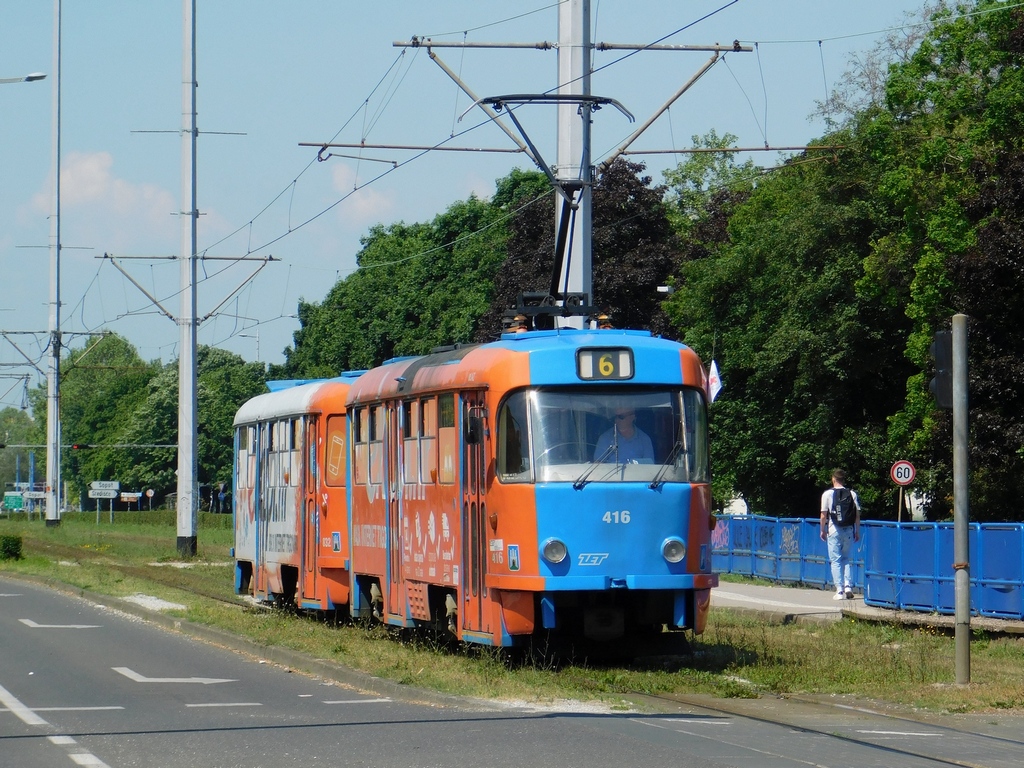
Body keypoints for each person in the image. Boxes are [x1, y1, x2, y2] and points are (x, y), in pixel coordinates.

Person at [820, 468, 861, 600]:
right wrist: (857, 531)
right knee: (846, 559)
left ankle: (839, 590)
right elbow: (857, 515)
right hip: (849, 530)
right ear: (843, 479)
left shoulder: (827, 494)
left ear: (833, 479)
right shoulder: (852, 494)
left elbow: (823, 515)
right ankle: (848, 586)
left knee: (835, 560)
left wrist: (822, 530)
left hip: (834, 530)